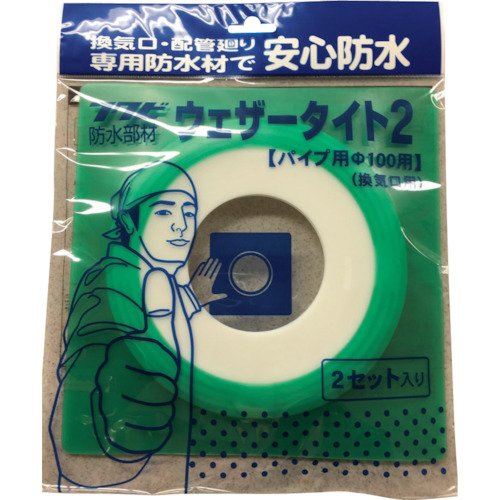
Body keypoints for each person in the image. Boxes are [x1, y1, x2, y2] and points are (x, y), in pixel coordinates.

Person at [49, 162, 224, 490]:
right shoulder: (109, 284)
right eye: (164, 212)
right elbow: (85, 363)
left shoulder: (170, 283)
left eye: (189, 213)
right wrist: (115, 405)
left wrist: (194, 303)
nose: (181, 226)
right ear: (130, 220)